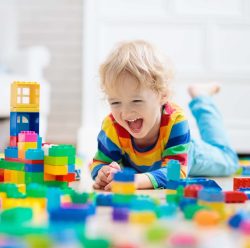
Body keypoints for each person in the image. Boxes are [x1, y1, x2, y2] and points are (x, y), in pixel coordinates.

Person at [89, 40, 239, 190]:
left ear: (163, 95)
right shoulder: (112, 126)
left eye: (136, 100)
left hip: (189, 154)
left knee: (229, 161)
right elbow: (99, 163)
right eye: (115, 103)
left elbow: (176, 172)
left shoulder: (175, 121)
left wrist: (137, 181)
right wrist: (103, 173)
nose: (126, 112)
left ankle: (202, 99)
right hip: (154, 168)